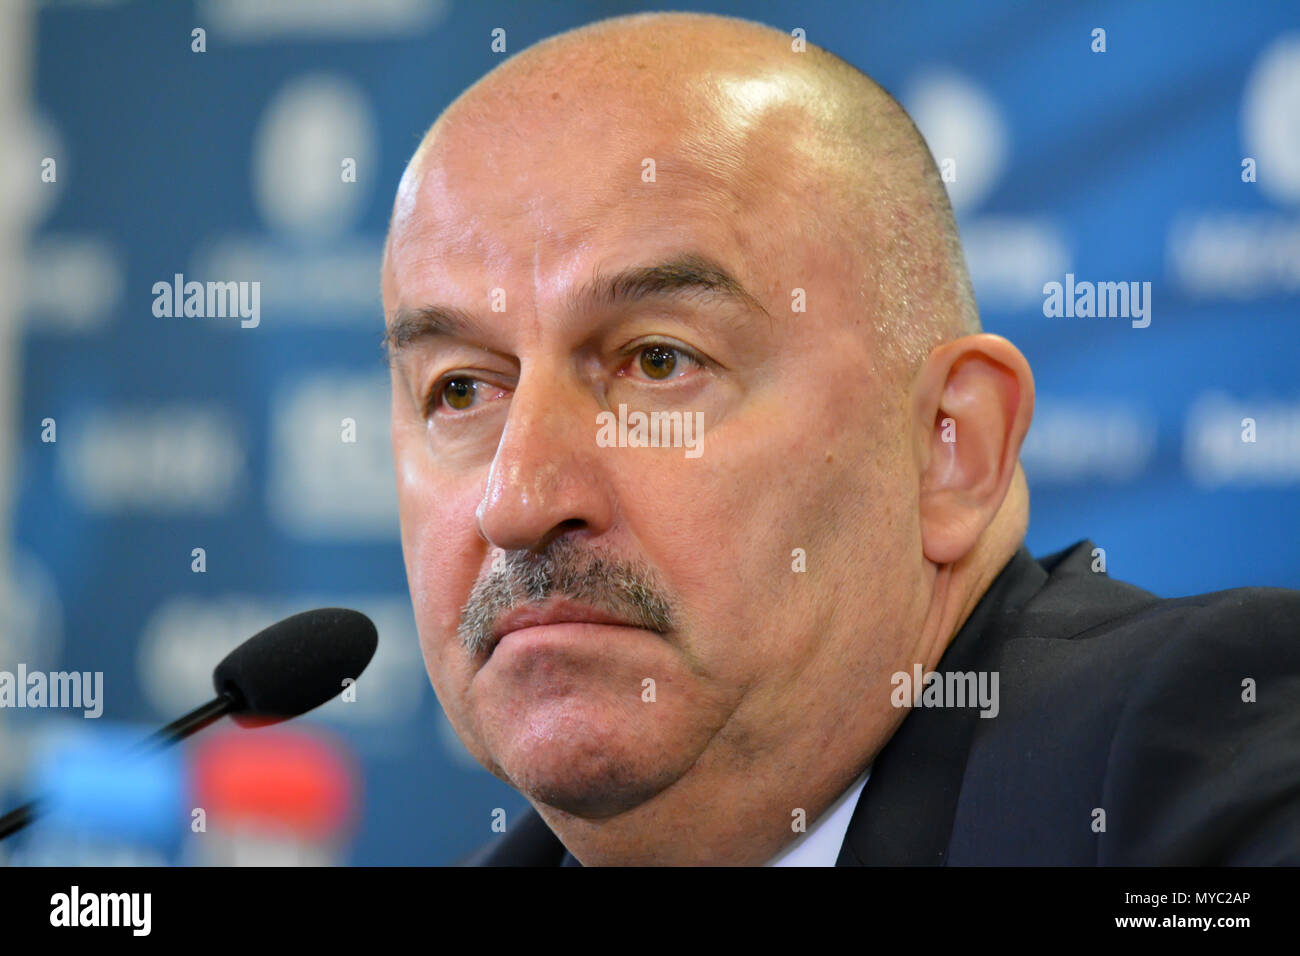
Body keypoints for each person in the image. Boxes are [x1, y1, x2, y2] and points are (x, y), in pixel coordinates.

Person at [380, 11, 1300, 865]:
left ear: (954, 446)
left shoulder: (1178, 759)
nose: (519, 501)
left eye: (657, 362)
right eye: (460, 389)